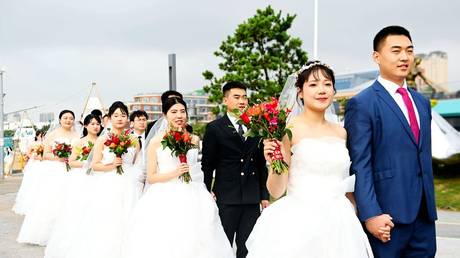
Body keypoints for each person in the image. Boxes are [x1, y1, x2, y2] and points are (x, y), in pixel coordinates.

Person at [246, 61, 374, 258]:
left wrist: (355, 214)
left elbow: (347, 182)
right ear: (300, 92)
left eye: (327, 84)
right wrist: (274, 163)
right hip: (300, 220)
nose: (321, 90)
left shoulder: (341, 132)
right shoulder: (288, 131)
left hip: (340, 222)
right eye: (313, 85)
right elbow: (276, 191)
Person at [345, 26, 437, 257]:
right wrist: (370, 214)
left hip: (424, 218)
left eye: (409, 50)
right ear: (377, 56)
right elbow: (360, 164)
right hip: (386, 218)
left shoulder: (422, 103)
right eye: (396, 50)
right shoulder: (362, 103)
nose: (404, 57)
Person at [122, 97, 234, 258]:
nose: (179, 115)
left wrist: (205, 190)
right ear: (165, 115)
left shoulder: (194, 139)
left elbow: (196, 170)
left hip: (194, 193)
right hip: (165, 195)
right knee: (169, 240)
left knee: (198, 239)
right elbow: (152, 177)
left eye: (182, 111)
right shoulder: (156, 141)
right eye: (174, 112)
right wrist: (175, 173)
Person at [64, 101, 142, 258]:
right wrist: (112, 166)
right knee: (109, 221)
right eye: (116, 115)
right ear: (110, 118)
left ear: (128, 118)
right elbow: (95, 165)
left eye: (123, 115)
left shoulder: (133, 139)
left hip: (130, 183)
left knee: (131, 219)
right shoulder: (103, 138)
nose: (120, 118)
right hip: (109, 184)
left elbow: (136, 163)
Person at [201, 81, 269, 258]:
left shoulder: (257, 127)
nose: (242, 101)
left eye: (245, 97)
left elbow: (261, 164)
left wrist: (264, 195)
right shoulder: (215, 128)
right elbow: (207, 164)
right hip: (226, 196)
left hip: (251, 196)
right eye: (237, 97)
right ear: (225, 100)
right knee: (223, 245)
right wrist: (206, 191)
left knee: (247, 247)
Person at [17, 110, 79, 246]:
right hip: (55, 170)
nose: (68, 120)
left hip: (72, 170)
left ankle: (66, 232)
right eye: (65, 118)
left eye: (71, 118)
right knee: (52, 200)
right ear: (60, 120)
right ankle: (48, 233)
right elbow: (45, 155)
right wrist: (60, 157)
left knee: (70, 199)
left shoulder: (77, 135)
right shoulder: (52, 135)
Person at [44, 113, 102, 258]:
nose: (95, 126)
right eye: (92, 124)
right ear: (86, 126)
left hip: (99, 176)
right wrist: (87, 164)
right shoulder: (79, 141)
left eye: (97, 124)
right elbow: (71, 161)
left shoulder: (103, 141)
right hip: (81, 177)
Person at [129, 109, 148, 194]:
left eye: (144, 120)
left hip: (148, 175)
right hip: (132, 177)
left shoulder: (150, 138)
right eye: (139, 120)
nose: (142, 122)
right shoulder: (126, 139)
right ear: (132, 123)